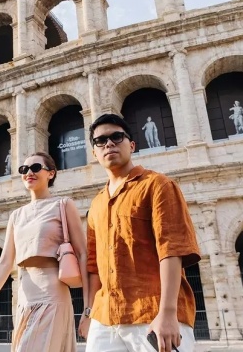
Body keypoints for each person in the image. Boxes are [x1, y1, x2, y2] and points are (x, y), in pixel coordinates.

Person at [79, 114, 201, 352]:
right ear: (94, 153)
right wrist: (88, 313)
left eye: (117, 137)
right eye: (100, 141)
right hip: (104, 318)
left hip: (152, 311)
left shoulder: (158, 185)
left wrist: (167, 313)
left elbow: (171, 250)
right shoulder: (96, 205)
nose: (109, 144)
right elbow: (94, 267)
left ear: (132, 145)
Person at [0, 152, 88, 352]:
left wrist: (87, 308)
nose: (28, 173)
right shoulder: (16, 215)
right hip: (24, 298)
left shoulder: (63, 205)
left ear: (51, 174)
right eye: (24, 169)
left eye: (35, 168)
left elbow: (83, 254)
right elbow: (5, 263)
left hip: (52, 295)